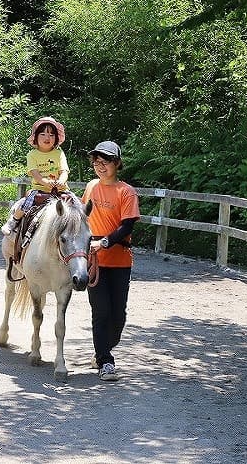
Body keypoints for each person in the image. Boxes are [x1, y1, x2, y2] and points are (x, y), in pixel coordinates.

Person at [82, 140, 140, 381]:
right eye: (96, 162)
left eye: (105, 162)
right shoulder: (91, 187)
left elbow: (127, 224)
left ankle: (104, 347)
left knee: (119, 315)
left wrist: (104, 242)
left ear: (116, 163)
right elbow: (81, 216)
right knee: (101, 311)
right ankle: (105, 361)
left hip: (120, 260)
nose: (100, 166)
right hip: (94, 260)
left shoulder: (126, 192)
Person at [1, 116, 70, 235]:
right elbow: (35, 174)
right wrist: (45, 182)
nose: (47, 138)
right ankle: (13, 220)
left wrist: (61, 181)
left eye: (52, 135)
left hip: (60, 190)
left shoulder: (59, 153)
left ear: (56, 138)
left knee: (76, 204)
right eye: (43, 134)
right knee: (25, 204)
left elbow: (64, 171)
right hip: (40, 189)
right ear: (36, 137)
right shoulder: (32, 154)